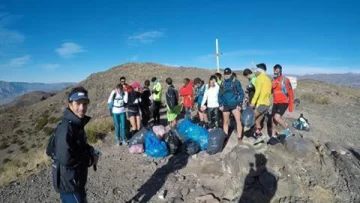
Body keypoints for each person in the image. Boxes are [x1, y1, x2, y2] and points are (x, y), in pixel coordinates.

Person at [51, 86, 99, 203]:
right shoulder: (67, 128)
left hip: (74, 179)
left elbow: (78, 145)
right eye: (78, 104)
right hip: (69, 183)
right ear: (70, 104)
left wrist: (89, 149)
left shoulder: (76, 123)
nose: (82, 108)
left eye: (85, 104)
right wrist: (90, 160)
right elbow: (66, 158)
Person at [218, 68, 244, 144]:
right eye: (225, 74)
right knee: (225, 122)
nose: (226, 75)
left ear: (231, 74)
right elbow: (219, 95)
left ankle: (239, 137)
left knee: (238, 121)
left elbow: (241, 93)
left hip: (235, 105)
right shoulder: (222, 83)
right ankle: (225, 137)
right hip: (225, 105)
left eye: (228, 74)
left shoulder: (236, 82)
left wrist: (239, 103)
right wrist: (220, 104)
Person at [250, 63, 272, 142]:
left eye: (256, 69)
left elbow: (257, 92)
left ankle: (256, 133)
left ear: (260, 70)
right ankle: (260, 136)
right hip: (267, 104)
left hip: (261, 104)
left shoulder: (259, 78)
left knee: (251, 118)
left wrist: (253, 102)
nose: (255, 71)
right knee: (257, 121)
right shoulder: (268, 79)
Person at [271, 64, 294, 137]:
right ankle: (273, 136)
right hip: (275, 102)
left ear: (280, 70)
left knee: (276, 117)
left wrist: (291, 106)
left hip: (283, 102)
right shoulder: (273, 80)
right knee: (273, 120)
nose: (275, 72)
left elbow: (290, 93)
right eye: (274, 70)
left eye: (277, 70)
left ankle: (288, 130)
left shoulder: (285, 80)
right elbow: (271, 91)